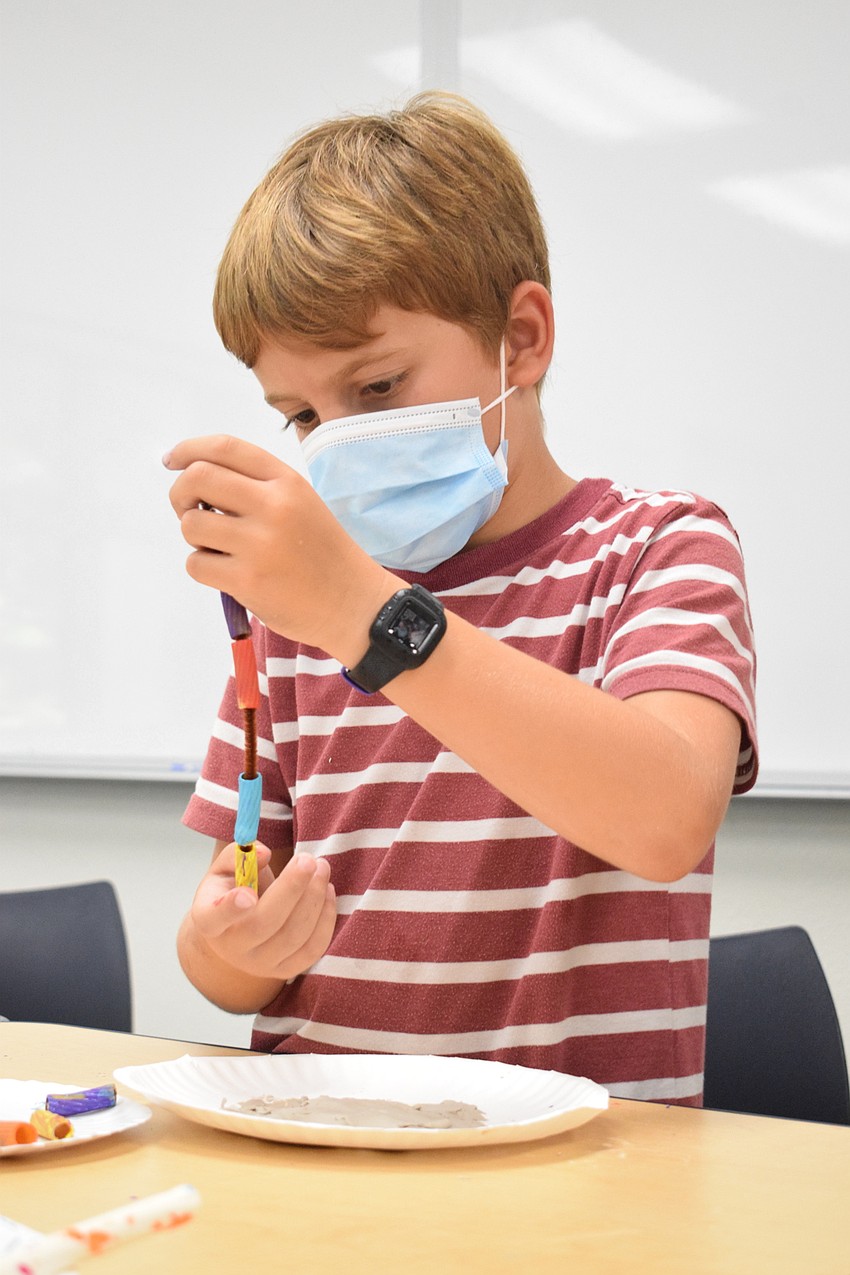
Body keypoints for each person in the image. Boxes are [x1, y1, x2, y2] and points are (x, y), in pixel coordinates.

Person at [164, 92, 757, 1105]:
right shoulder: (299, 607)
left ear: (520, 341)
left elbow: (664, 819)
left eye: (379, 388)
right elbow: (231, 956)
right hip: (328, 1148)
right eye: (301, 415)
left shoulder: (655, 547)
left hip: (588, 1187)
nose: (335, 439)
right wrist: (226, 941)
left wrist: (368, 614)